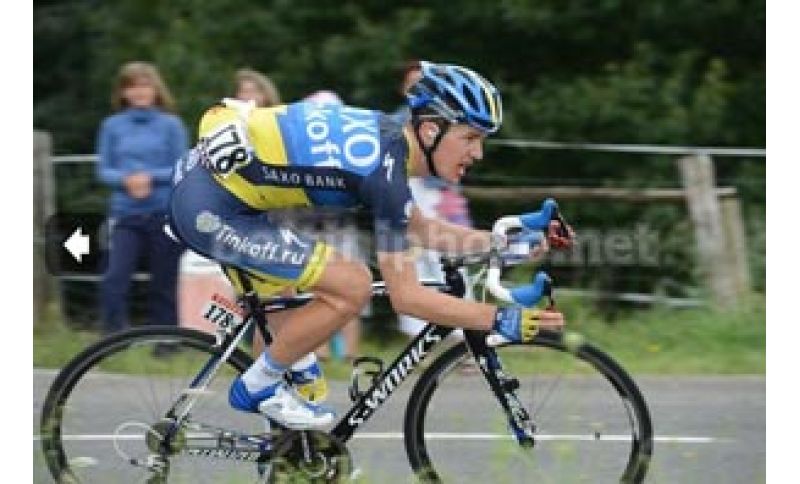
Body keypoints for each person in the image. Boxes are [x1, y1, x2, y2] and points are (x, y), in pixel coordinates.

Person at [169, 61, 569, 429]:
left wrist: (506, 244)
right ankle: (255, 386)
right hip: (211, 209)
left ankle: (290, 460)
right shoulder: (384, 171)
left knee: (302, 365)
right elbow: (407, 297)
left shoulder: (390, 143)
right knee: (353, 284)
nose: (477, 153)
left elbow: (421, 229)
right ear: (432, 130)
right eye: (471, 138)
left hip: (232, 203)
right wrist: (498, 319)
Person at [96, 61, 187, 339]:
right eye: (132, 86)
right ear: (123, 92)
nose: (139, 91)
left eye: (145, 85)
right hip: (126, 215)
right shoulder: (111, 126)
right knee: (114, 278)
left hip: (164, 214)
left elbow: (182, 166)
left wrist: (149, 178)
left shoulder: (171, 125)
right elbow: (103, 170)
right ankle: (113, 338)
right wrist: (126, 180)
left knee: (163, 283)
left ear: (156, 89)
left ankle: (166, 342)